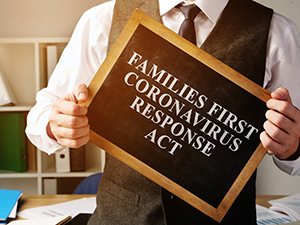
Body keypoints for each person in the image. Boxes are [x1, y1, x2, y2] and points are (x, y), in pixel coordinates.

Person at [26, 0, 300, 224]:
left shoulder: (278, 33)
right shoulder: (100, 20)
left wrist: (293, 146)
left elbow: (297, 154)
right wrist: (56, 124)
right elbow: (40, 117)